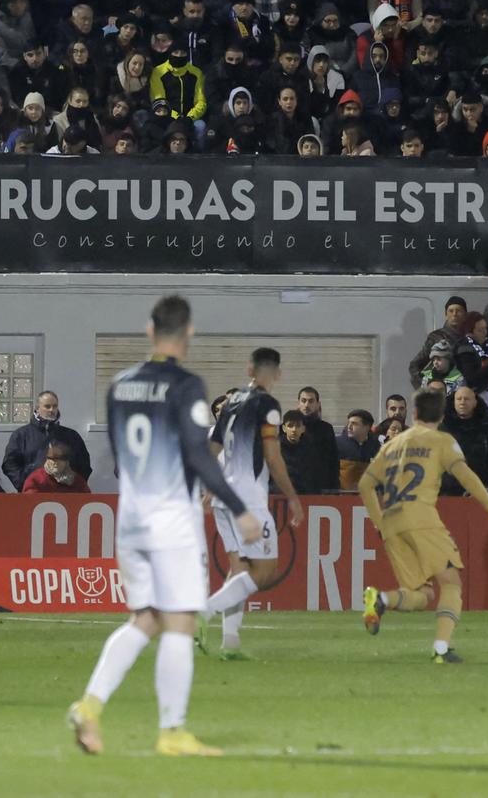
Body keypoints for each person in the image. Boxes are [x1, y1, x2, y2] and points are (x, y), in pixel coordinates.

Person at [66, 296, 258, 759]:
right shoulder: (186, 386)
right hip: (171, 517)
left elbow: (116, 447)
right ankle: (172, 731)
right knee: (180, 621)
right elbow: (197, 454)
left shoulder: (119, 385)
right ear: (187, 334)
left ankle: (89, 706)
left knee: (147, 617)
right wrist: (238, 506)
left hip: (130, 516)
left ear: (150, 331)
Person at [358, 387, 488, 663]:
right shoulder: (442, 441)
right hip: (422, 519)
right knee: (451, 585)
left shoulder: (392, 444)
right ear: (442, 414)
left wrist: (379, 523)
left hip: (392, 523)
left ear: (414, 413)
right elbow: (467, 477)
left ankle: (380, 601)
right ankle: (441, 649)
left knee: (422, 595)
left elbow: (364, 485)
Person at [197, 348, 304, 658]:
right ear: (278, 374)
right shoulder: (268, 405)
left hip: (223, 496)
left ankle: (230, 643)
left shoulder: (231, 402)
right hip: (248, 499)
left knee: (239, 570)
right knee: (265, 570)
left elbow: (213, 447)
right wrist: (292, 497)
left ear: (249, 369)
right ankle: (203, 613)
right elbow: (272, 455)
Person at [2, 390, 92, 490]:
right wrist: (25, 484)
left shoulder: (72, 436)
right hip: (33, 493)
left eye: (55, 406)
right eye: (47, 406)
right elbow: (9, 464)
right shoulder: (21, 435)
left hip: (67, 495)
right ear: (37, 408)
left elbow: (84, 465)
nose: (51, 410)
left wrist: (74, 485)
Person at [22, 440, 91, 493]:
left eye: (59, 459)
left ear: (66, 462)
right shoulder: (36, 479)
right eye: (50, 459)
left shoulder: (77, 481)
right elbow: (29, 501)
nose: (54, 463)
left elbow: (86, 500)